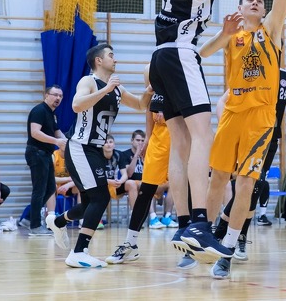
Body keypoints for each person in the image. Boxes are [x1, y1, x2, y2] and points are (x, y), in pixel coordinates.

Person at [148, 0, 286, 263]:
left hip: (161, 56)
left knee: (181, 144)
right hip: (182, 54)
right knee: (202, 137)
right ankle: (199, 224)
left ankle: (186, 224)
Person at [191, 0, 286, 279]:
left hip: (259, 117)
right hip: (231, 114)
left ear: (264, 9)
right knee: (217, 180)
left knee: (245, 183)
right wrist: (223, 33)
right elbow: (201, 53)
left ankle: (228, 247)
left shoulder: (271, 29)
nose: (254, 1)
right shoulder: (232, 35)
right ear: (239, 9)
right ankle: (203, 238)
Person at [44, 43, 152, 268]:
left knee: (90, 203)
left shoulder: (117, 89)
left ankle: (58, 222)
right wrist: (105, 90)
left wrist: (151, 88)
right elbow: (76, 105)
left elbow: (141, 105)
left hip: (94, 150)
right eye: (111, 55)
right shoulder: (89, 81)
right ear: (99, 60)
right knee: (101, 197)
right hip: (80, 146)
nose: (115, 59)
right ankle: (79, 252)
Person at [212, 68, 286, 261]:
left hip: (269, 141)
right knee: (245, 187)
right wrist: (224, 126)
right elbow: (222, 102)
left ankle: (235, 235)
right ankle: (222, 233)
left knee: (255, 188)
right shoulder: (251, 73)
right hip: (246, 137)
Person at [106, 65, 191, 268]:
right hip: (158, 143)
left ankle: (190, 245)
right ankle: (131, 243)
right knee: (145, 191)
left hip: (179, 140)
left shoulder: (181, 79)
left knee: (184, 191)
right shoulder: (151, 82)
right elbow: (149, 114)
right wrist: (147, 140)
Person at [25, 85, 68, 236]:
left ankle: (29, 218)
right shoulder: (39, 110)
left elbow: (57, 132)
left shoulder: (51, 113)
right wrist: (56, 142)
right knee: (39, 189)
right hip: (37, 153)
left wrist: (68, 143)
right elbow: (35, 133)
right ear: (46, 95)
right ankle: (35, 226)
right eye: (55, 95)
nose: (58, 98)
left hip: (45, 154)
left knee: (50, 188)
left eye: (60, 96)